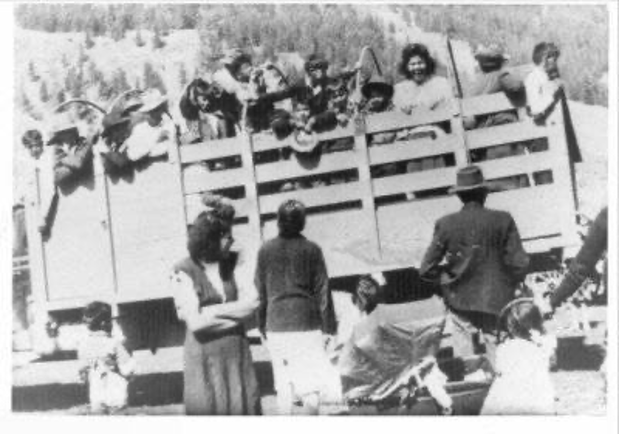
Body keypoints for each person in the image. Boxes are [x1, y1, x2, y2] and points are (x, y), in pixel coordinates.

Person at [419, 165, 530, 368]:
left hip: (459, 298)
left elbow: (426, 268)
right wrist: (508, 283)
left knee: (465, 356)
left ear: (459, 196)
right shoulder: (503, 219)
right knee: (498, 352)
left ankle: (469, 389)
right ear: (484, 193)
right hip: (496, 298)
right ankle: (498, 386)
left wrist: (448, 279)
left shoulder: (446, 224)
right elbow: (519, 263)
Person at [170, 202, 261, 415]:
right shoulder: (182, 270)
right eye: (226, 236)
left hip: (236, 354)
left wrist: (211, 312)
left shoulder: (235, 261)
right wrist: (239, 316)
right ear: (209, 240)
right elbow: (197, 324)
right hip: (203, 358)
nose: (232, 240)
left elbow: (255, 303)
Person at [255, 199, 339, 415]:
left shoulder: (265, 250)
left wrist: (261, 326)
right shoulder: (312, 250)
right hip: (307, 324)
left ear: (278, 221)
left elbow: (261, 292)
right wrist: (329, 328)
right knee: (310, 386)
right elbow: (323, 291)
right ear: (302, 222)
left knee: (284, 385)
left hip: (276, 324)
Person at [480, 299, 556, 415]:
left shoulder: (505, 348)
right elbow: (551, 362)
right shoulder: (541, 348)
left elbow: (500, 369)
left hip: (510, 396)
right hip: (538, 395)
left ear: (510, 327)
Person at [77, 301, 135, 414]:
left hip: (96, 396)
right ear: (105, 323)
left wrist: (85, 377)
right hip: (116, 396)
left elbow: (82, 372)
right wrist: (130, 373)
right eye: (111, 320)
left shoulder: (83, 346)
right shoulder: (114, 344)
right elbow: (127, 369)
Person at [466, 44, 525, 130]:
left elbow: (470, 118)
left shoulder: (476, 83)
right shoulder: (505, 76)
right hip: (505, 124)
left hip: (482, 128)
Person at [393, 43, 453, 114]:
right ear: (406, 67)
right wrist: (402, 110)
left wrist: (439, 105)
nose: (417, 67)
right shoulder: (399, 89)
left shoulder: (441, 83)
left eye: (420, 63)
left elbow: (452, 107)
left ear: (427, 64)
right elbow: (395, 115)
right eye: (412, 64)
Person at [123, 89, 174, 164]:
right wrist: (155, 140)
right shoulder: (139, 130)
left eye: (158, 109)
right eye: (151, 111)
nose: (155, 114)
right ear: (145, 113)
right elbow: (132, 155)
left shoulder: (169, 125)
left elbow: (174, 147)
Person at [525, 42, 563, 125]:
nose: (554, 62)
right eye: (552, 58)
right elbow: (534, 108)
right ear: (543, 59)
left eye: (554, 59)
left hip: (548, 119)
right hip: (541, 121)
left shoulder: (543, 75)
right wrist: (553, 93)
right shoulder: (534, 77)